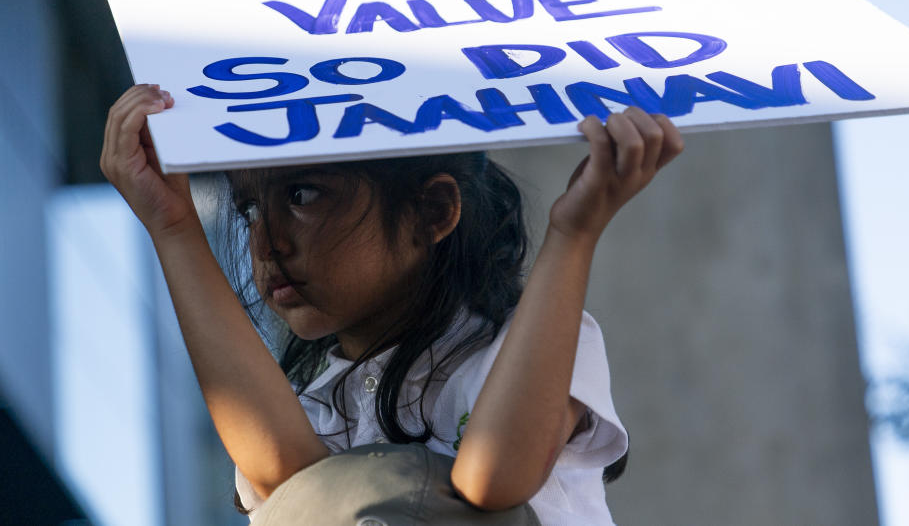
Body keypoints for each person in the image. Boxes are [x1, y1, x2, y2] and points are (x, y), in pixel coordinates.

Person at [100, 83, 684, 525]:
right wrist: (172, 226)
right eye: (251, 209)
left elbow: (491, 483)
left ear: (432, 212)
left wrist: (574, 234)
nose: (266, 242)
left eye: (303, 194)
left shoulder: (538, 342)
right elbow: (300, 490)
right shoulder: (314, 399)